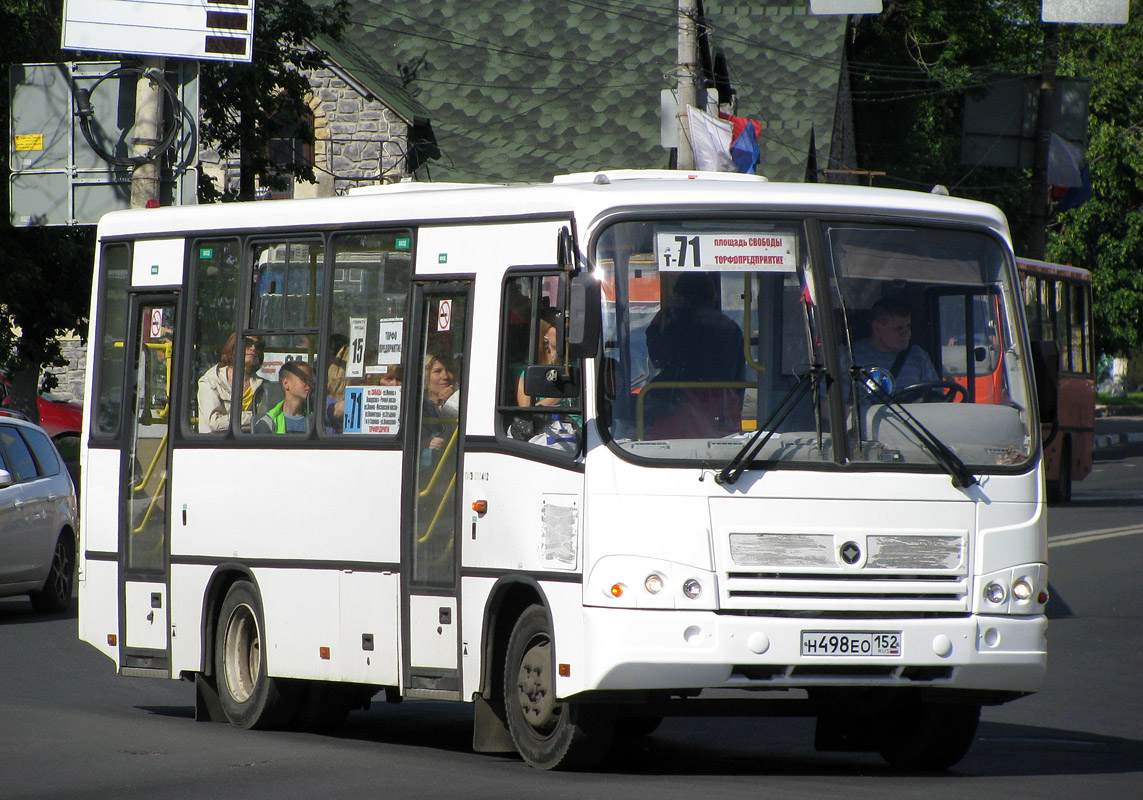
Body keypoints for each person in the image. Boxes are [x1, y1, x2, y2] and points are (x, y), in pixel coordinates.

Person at [850, 296, 938, 391]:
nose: (907, 333)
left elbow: (935, 396)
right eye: (899, 328)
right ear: (877, 328)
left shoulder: (919, 356)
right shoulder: (850, 358)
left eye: (908, 326)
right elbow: (841, 401)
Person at [197, 334, 266, 433]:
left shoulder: (263, 386)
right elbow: (215, 423)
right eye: (248, 343)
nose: (253, 348)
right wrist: (255, 417)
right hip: (217, 446)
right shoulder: (210, 381)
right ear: (233, 347)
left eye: (258, 345)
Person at [254, 360, 314, 434]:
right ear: (286, 383)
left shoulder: (315, 421)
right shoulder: (267, 423)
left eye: (310, 380)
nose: (309, 384)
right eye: (304, 379)